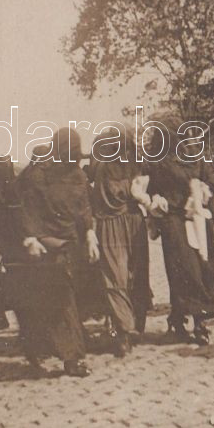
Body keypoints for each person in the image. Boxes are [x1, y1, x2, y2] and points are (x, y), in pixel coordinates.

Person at [16, 129, 99, 377]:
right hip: (45, 247)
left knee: (63, 301)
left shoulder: (79, 176)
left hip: (73, 246)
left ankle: (47, 348)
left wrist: (91, 234)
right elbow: (27, 209)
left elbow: (85, 209)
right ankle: (70, 358)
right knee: (60, 301)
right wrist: (31, 238)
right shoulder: (37, 177)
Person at [147, 117, 214, 345]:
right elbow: (150, 189)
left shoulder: (191, 155)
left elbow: (211, 182)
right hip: (174, 222)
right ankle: (182, 318)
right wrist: (156, 200)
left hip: (197, 219)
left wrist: (203, 192)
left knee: (200, 269)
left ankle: (197, 320)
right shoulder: (159, 160)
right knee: (184, 271)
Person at [91, 131, 152, 356]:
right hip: (133, 223)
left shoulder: (101, 168)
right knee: (131, 274)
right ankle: (130, 326)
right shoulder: (135, 165)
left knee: (116, 275)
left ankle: (124, 328)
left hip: (111, 226)